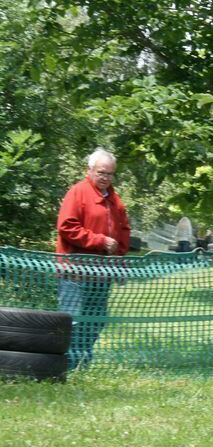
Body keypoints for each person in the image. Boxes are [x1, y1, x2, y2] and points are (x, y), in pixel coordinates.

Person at [56, 148, 131, 368]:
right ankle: (63, 365)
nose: (106, 177)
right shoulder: (78, 192)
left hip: (102, 274)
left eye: (110, 174)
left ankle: (82, 362)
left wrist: (120, 264)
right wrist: (99, 241)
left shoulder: (115, 200)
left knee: (95, 320)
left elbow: (123, 232)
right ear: (89, 170)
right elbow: (66, 227)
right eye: (101, 172)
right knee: (73, 319)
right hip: (74, 272)